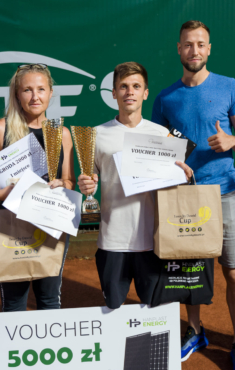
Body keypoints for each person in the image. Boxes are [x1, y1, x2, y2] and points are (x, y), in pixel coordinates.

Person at [151, 20, 235, 370]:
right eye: (188, 44)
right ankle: (195, 330)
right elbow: (159, 148)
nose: (194, 50)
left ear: (209, 49)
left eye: (201, 44)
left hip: (223, 193)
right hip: (183, 197)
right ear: (178, 49)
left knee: (234, 272)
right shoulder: (165, 98)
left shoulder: (230, 88)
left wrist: (231, 142)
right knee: (188, 270)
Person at [77, 62, 193, 310]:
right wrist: (87, 185)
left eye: (136, 86)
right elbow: (91, 183)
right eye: (123, 86)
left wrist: (184, 176)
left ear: (145, 93)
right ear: (114, 93)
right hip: (112, 240)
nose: (130, 92)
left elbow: (175, 184)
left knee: (153, 309)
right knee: (113, 309)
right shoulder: (96, 135)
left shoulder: (163, 134)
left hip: (153, 241)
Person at [0, 63, 76, 312]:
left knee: (49, 299)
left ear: (50, 93)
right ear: (17, 94)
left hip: (51, 223)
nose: (35, 96)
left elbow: (69, 180)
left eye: (41, 89)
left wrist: (63, 183)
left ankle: (49, 351)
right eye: (27, 90)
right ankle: (14, 352)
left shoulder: (62, 133)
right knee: (14, 301)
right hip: (10, 224)